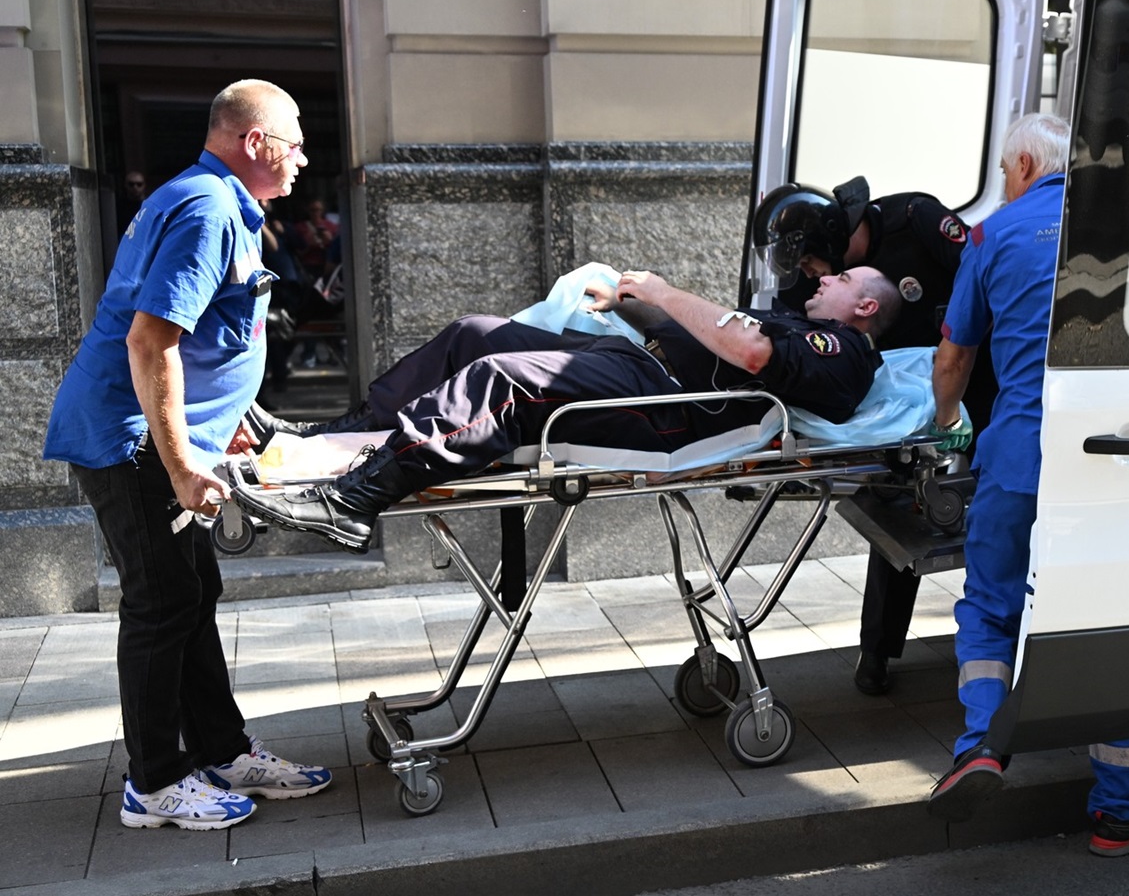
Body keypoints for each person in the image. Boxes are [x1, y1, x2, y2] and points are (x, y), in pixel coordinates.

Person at [42, 79, 333, 832]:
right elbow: (151, 340)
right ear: (254, 142)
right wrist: (178, 462)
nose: (304, 154)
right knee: (161, 601)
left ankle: (222, 749)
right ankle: (156, 782)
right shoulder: (207, 210)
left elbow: (202, 339)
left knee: (190, 593)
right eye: (294, 139)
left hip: (151, 434)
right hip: (131, 441)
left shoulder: (213, 200)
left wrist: (227, 419)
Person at [925, 113, 1129, 857]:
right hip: (1110, 457)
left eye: (1007, 173)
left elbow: (953, 360)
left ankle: (979, 746)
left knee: (993, 604)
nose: (1006, 186)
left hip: (1018, 453)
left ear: (1026, 163)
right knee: (1109, 616)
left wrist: (943, 425)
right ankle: (1123, 811)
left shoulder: (992, 234)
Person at [235, 267, 902, 551]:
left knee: (503, 381)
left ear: (866, 307)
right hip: (644, 367)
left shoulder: (843, 348)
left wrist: (666, 293)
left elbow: (749, 354)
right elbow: (721, 332)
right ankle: (330, 438)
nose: (824, 279)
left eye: (841, 281)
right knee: (475, 332)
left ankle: (355, 499)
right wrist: (632, 300)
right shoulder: (796, 319)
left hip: (672, 409)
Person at [753, 176, 990, 696]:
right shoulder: (818, 276)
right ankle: (877, 649)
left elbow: (985, 275)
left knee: (995, 512)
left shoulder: (918, 221)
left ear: (832, 243)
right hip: (897, 402)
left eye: (817, 267)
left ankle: (1000, 637)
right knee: (897, 508)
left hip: (977, 377)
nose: (815, 279)